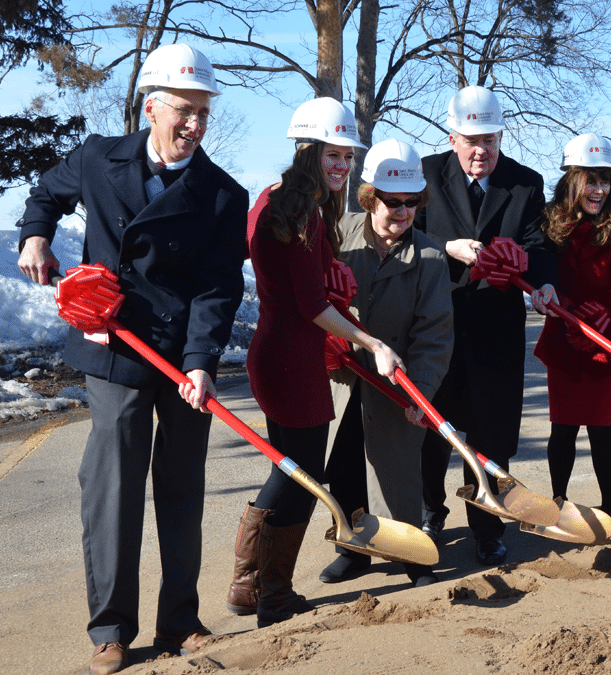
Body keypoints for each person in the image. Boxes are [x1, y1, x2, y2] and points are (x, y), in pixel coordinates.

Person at [16, 44, 247, 675]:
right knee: (112, 489)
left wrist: (201, 361)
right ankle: (111, 629)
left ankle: (180, 621)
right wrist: (35, 233)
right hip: (113, 347)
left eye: (203, 112)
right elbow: (46, 194)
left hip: (181, 360)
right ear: (152, 107)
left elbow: (217, 287)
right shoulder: (98, 158)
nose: (196, 124)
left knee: (181, 489)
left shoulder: (223, 195)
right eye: (185, 109)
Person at [224, 98, 404, 628]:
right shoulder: (298, 210)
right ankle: (260, 590)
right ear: (306, 149)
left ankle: (256, 589)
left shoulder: (275, 199)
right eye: (332, 154)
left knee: (293, 468)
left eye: (347, 156)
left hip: (283, 351)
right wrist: (370, 343)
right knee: (300, 473)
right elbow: (310, 305)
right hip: (289, 355)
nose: (342, 166)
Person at [413, 85, 558, 566]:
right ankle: (429, 512)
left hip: (496, 328)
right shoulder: (425, 174)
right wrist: (445, 248)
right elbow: (400, 229)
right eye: (471, 140)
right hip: (437, 322)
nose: (481, 151)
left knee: (490, 434)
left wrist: (544, 284)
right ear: (451, 137)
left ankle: (488, 525)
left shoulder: (525, 182)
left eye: (490, 141)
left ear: (501, 136)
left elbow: (539, 246)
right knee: (433, 428)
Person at [321, 139, 453, 588]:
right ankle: (352, 550)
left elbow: (435, 336)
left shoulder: (431, 257)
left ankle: (412, 554)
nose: (401, 211)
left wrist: (422, 391)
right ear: (368, 197)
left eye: (411, 202)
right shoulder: (338, 234)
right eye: (390, 201)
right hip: (340, 374)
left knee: (396, 470)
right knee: (342, 468)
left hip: (396, 382)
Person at [532, 134, 611, 527]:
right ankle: (558, 503)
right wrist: (564, 309)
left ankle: (609, 509)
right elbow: (542, 270)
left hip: (608, 337)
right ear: (571, 180)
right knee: (562, 428)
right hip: (563, 334)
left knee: (602, 429)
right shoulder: (550, 220)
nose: (598, 190)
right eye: (590, 180)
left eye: (605, 180)